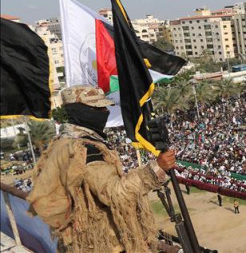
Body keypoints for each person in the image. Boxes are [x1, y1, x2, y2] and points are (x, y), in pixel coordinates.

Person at [27, 85, 176, 252]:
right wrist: (155, 169)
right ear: (80, 111)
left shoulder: (61, 143)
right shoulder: (86, 150)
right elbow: (115, 194)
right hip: (103, 243)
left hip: (78, 241)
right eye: (98, 108)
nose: (105, 112)